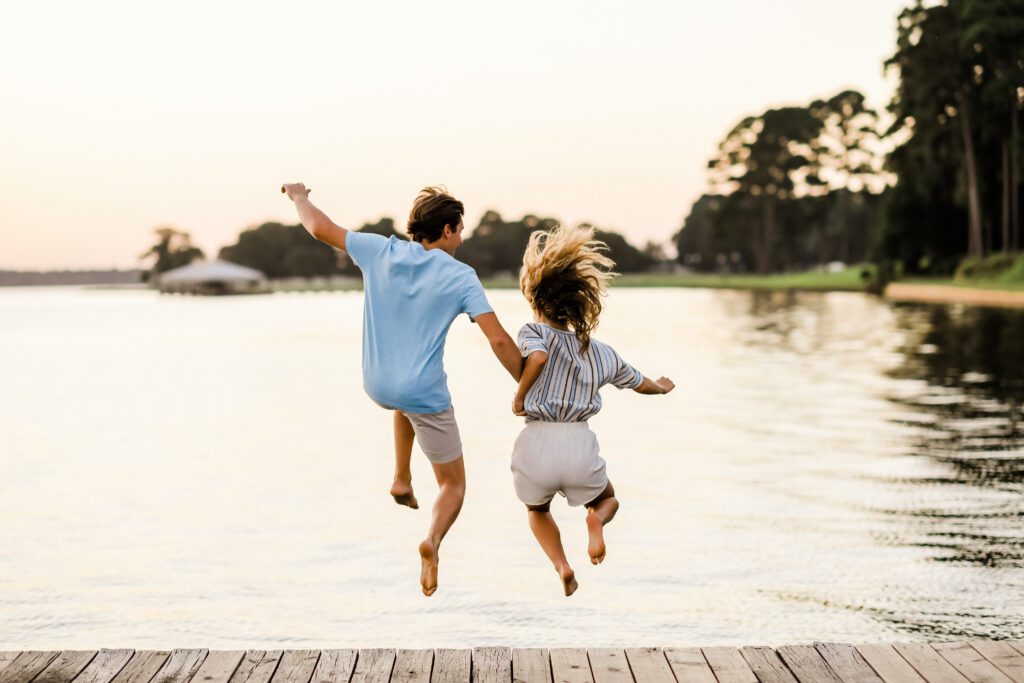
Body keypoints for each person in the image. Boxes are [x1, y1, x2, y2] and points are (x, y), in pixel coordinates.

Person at [282, 183, 522, 596]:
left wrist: (299, 197)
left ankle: (400, 479)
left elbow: (320, 228)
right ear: (446, 230)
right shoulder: (461, 277)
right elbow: (499, 341)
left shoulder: (380, 251)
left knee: (404, 401)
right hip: (422, 391)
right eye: (460, 230)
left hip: (377, 382)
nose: (462, 239)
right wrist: (527, 385)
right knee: (453, 485)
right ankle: (432, 540)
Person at [511, 223, 674, 596]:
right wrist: (661, 388)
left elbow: (536, 358)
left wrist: (521, 395)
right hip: (579, 443)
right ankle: (595, 521)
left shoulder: (533, 332)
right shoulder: (599, 352)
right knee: (609, 498)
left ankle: (563, 567)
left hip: (537, 440)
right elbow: (638, 382)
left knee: (537, 511)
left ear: (535, 299)